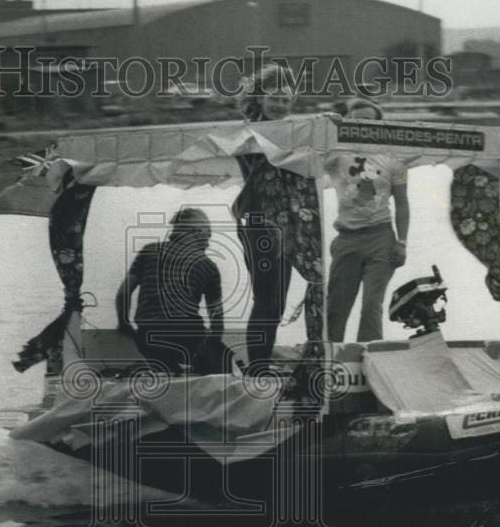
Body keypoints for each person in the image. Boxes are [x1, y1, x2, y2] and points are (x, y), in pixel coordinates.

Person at [233, 65, 325, 368]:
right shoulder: (247, 132)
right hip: (260, 223)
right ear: (259, 99)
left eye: (286, 101)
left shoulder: (292, 132)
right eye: (274, 98)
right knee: (267, 299)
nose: (280, 106)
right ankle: (258, 366)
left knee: (277, 301)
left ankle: (262, 361)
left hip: (288, 225)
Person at [325, 98, 410, 342]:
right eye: (356, 121)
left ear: (378, 125)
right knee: (336, 306)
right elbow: (312, 148)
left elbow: (402, 203)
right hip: (347, 238)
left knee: (372, 305)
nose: (363, 127)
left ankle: (370, 357)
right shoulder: (336, 158)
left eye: (369, 122)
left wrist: (402, 242)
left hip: (381, 237)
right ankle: (332, 357)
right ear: (349, 123)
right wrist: (327, 124)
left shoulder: (394, 160)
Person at [116, 207, 230, 374]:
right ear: (196, 232)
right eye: (208, 236)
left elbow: (123, 293)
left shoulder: (149, 251)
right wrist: (213, 350)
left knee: (166, 371)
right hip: (187, 334)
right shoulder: (208, 266)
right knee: (222, 366)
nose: (208, 243)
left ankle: (166, 369)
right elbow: (217, 318)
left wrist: (124, 323)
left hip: (148, 334)